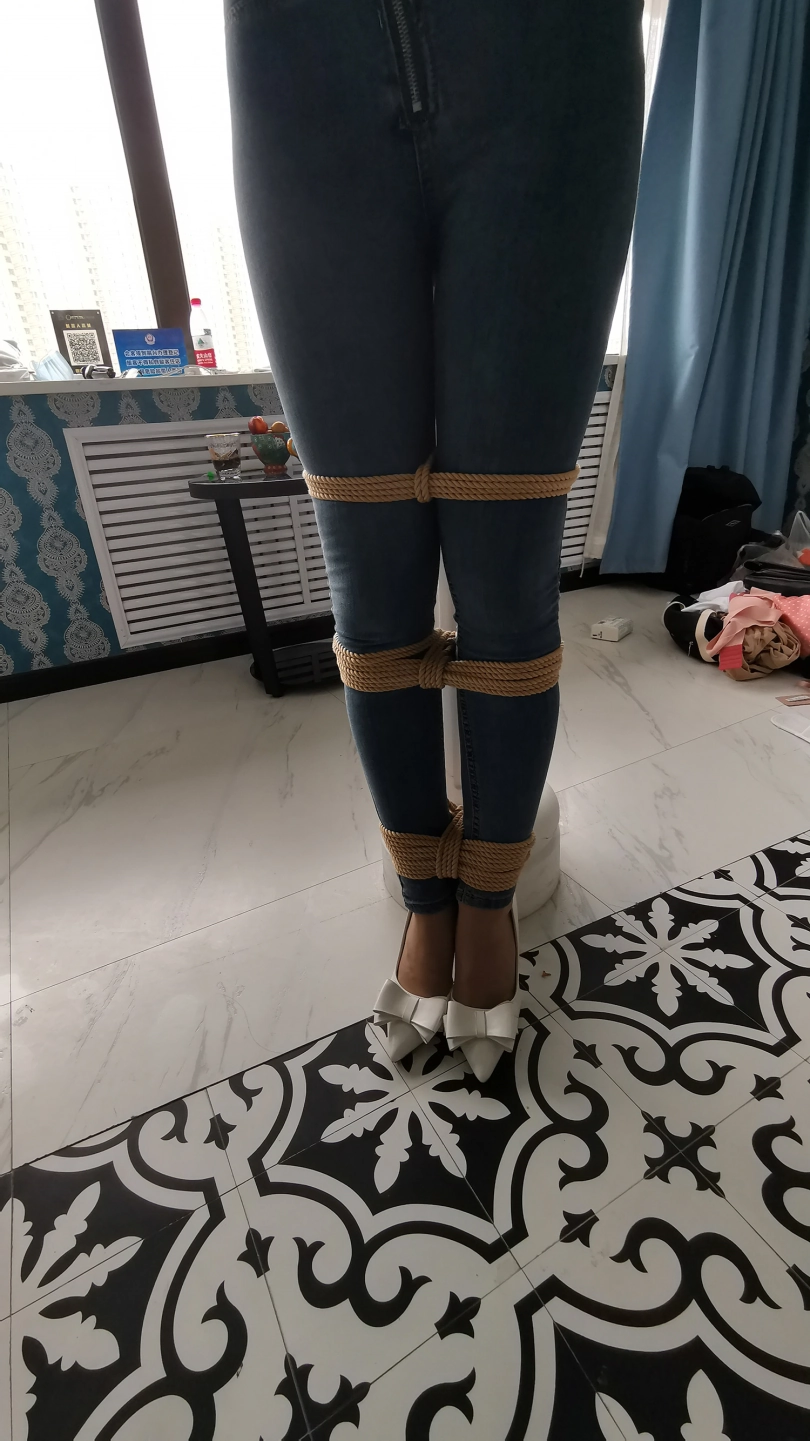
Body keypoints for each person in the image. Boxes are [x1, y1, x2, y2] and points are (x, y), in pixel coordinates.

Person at [226, 0, 644, 1079]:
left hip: (550, 54)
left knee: (507, 580)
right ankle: (426, 895)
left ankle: (487, 903)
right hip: (299, 56)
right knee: (371, 593)